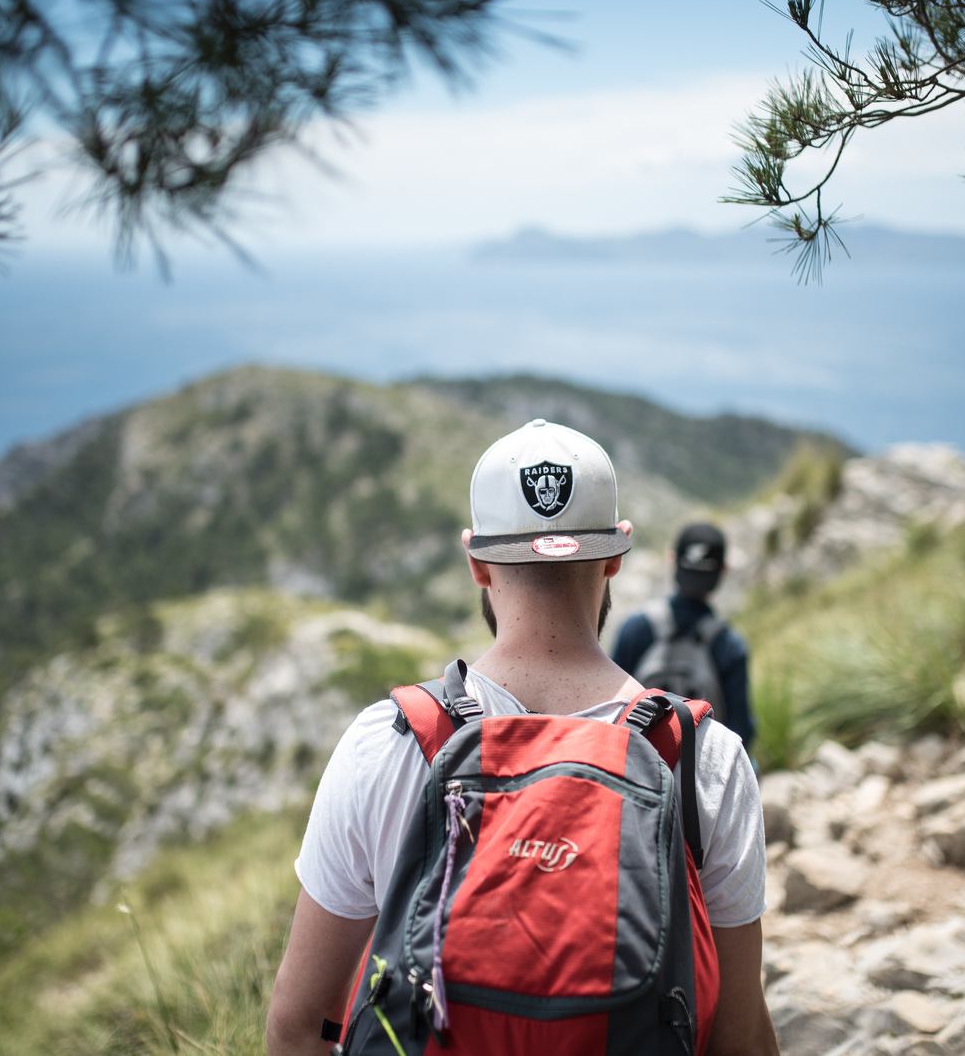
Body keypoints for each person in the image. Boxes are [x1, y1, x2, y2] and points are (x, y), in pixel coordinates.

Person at [266, 418, 779, 1056]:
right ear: (616, 554)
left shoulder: (391, 743)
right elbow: (736, 1034)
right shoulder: (704, 757)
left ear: (477, 562)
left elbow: (301, 1022)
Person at [611, 522, 756, 750]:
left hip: (636, 767)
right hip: (700, 775)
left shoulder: (637, 628)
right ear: (724, 571)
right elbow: (742, 731)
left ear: (672, 560)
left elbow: (611, 707)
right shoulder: (728, 644)